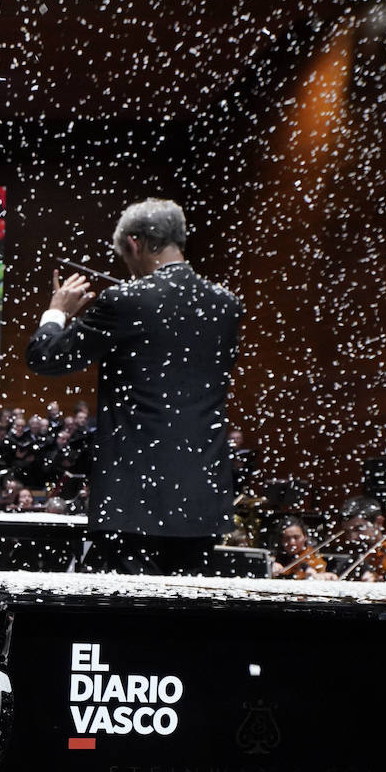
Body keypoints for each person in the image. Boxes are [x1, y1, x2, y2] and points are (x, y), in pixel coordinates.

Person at [26, 198, 242, 575]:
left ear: (135, 243)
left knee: (135, 627)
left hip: (135, 503)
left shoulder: (126, 301)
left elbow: (45, 357)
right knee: (191, 624)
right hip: (202, 498)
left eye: (123, 253)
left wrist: (58, 310)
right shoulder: (226, 305)